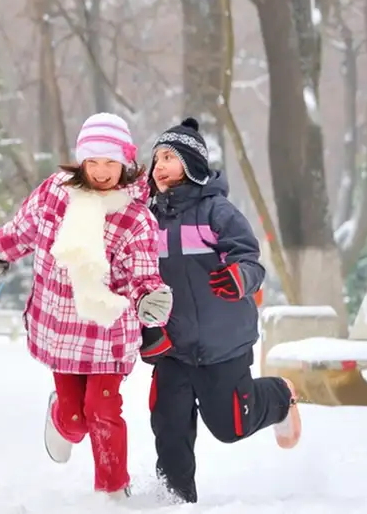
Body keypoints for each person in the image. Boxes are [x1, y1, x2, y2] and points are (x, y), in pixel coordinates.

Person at [0, 112, 172, 499]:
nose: (101, 171)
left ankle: (113, 491)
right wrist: (1, 252)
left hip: (107, 333)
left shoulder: (135, 217)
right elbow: (25, 226)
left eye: (110, 162)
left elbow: (142, 270)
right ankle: (60, 415)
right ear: (81, 161)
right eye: (93, 161)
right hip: (62, 328)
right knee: (75, 420)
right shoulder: (56, 192)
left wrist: (150, 296)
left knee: (102, 410)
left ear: (125, 163)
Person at [144, 117, 301, 504]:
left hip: (221, 342)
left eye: (169, 157)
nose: (159, 166)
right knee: (169, 427)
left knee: (231, 425)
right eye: (155, 159)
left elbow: (250, 258)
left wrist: (238, 277)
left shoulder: (216, 211)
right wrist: (146, 328)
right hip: (173, 346)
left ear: (192, 164)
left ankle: (279, 396)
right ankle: (174, 498)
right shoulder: (146, 219)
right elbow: (137, 278)